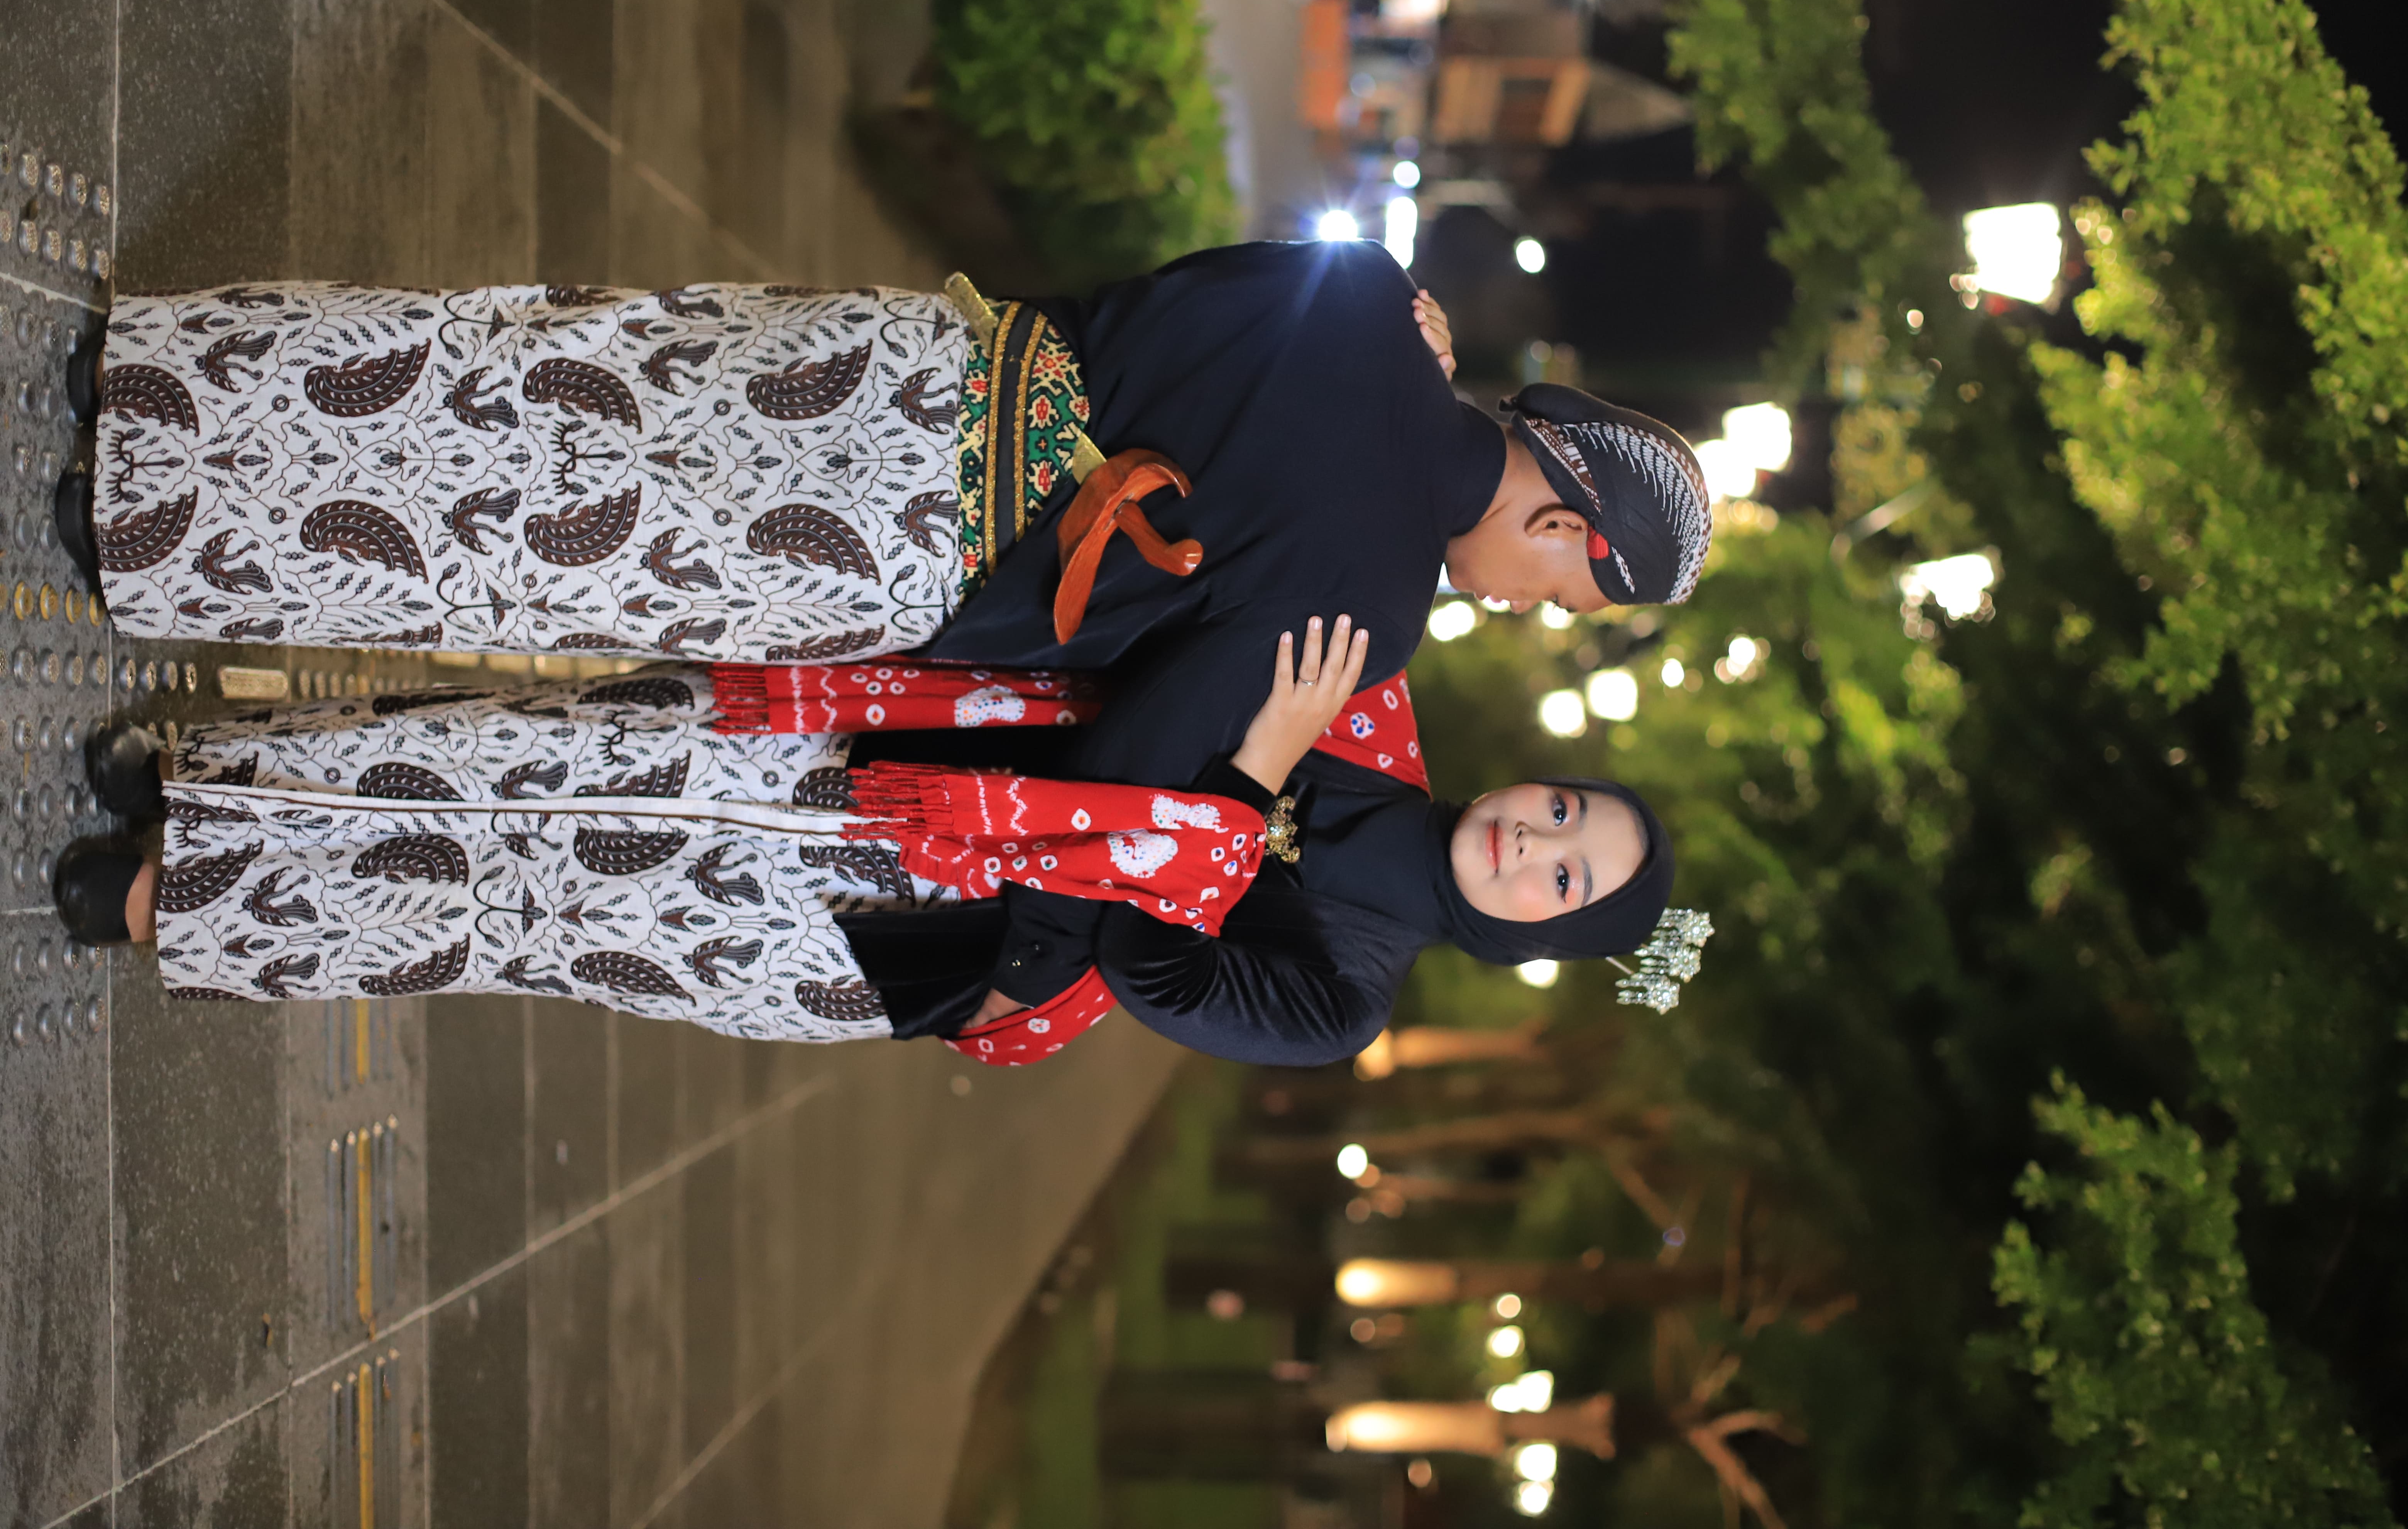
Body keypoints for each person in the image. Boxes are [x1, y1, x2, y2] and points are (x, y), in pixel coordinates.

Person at [59, 243, 1711, 773]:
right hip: (901, 550)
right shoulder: (1377, 612)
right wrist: (1263, 761)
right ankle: (149, 529)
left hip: (902, 367)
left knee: (533, 370)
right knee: (533, 556)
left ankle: (155, 386)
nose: (1519, 606)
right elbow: (1138, 747)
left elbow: (1133, 296)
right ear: (1569, 527)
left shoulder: (1364, 294)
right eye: (1555, 594)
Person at [52, 621, 1686, 1066]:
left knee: (535, 910)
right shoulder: (1376, 707)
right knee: (544, 747)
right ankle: (223, 795)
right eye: (1565, 809)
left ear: (1542, 932)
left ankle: (185, 903)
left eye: (1567, 879)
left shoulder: (1344, 997)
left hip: (905, 926)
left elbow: (1152, 964)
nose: (1533, 842)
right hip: (899, 741)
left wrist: (1248, 779)